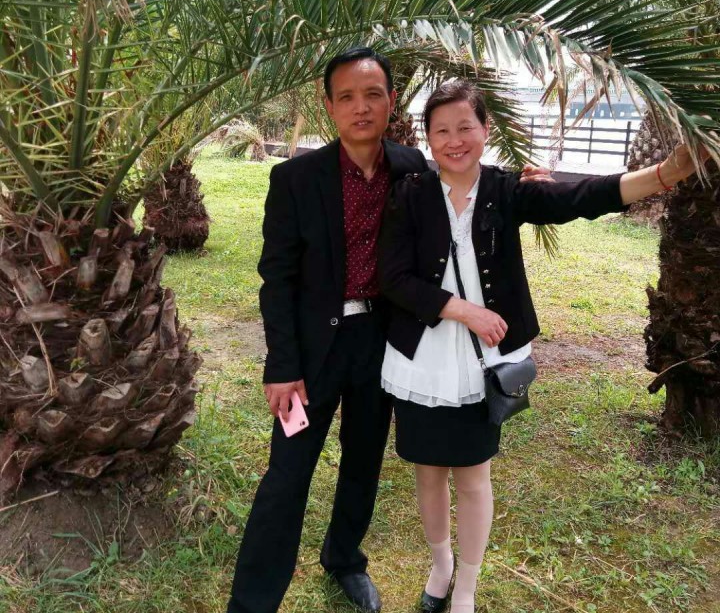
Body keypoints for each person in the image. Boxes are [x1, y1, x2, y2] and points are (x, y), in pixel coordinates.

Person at [226, 48, 552, 613]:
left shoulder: (411, 166)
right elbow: (276, 278)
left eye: (372, 95)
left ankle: (344, 559)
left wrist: (519, 181)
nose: (361, 107)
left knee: (363, 462)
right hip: (313, 349)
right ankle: (252, 603)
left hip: (382, 343)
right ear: (330, 105)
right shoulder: (295, 178)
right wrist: (281, 365)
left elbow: (466, 179)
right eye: (347, 97)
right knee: (287, 474)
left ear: (391, 102)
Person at [377, 79, 708, 613]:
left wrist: (665, 173)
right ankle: (440, 567)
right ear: (428, 138)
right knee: (428, 472)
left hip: (481, 364)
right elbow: (392, 278)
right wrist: (464, 310)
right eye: (441, 131)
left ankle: (467, 587)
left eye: (465, 127)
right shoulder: (409, 193)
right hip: (422, 359)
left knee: (473, 476)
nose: (454, 140)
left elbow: (582, 197)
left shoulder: (507, 190)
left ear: (486, 129)